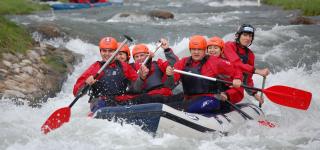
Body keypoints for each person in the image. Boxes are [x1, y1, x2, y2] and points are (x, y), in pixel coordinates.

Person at [169, 35, 243, 113]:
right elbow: (173, 78)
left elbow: (236, 70)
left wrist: (237, 78)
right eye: (193, 49)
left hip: (210, 99)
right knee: (165, 103)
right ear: (190, 50)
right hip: (190, 98)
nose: (196, 52)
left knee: (186, 109)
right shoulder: (183, 62)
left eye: (199, 49)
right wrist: (169, 74)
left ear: (204, 50)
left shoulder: (215, 61)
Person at [73, 37, 144, 113]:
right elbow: (76, 93)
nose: (107, 54)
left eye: (110, 51)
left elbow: (137, 89)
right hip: (100, 102)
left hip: (120, 101)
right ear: (100, 52)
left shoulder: (124, 67)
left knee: (140, 99)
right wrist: (86, 83)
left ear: (116, 52)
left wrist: (142, 78)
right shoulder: (95, 67)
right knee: (102, 103)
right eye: (104, 51)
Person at [223, 24, 270, 105]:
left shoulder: (250, 55)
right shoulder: (228, 46)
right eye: (245, 35)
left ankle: (225, 97)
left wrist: (254, 94)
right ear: (238, 36)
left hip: (235, 87)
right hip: (221, 82)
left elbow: (247, 79)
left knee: (239, 90)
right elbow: (236, 63)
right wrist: (257, 71)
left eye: (250, 36)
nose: (248, 38)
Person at [129, 39, 182, 106]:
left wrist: (167, 50)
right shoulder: (132, 68)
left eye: (142, 55)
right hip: (147, 97)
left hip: (164, 94)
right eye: (136, 57)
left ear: (147, 55)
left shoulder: (157, 64)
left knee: (183, 96)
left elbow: (175, 64)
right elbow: (135, 89)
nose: (139, 58)